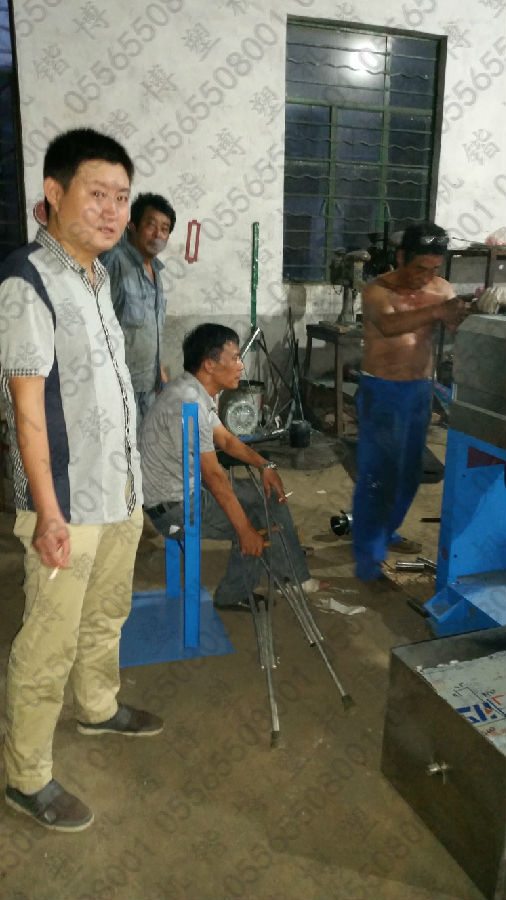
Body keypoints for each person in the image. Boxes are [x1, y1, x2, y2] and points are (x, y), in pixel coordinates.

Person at [0, 128, 163, 834]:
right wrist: (48, 514)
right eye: (97, 194)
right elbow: (26, 410)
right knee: (47, 642)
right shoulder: (27, 279)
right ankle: (27, 776)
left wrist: (133, 491)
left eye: (121, 198)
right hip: (66, 503)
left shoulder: (98, 276)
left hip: (116, 491)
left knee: (107, 613)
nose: (112, 210)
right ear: (54, 192)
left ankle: (98, 707)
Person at [140, 323, 327, 610]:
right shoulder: (189, 403)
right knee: (255, 521)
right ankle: (236, 593)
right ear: (209, 364)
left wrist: (265, 464)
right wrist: (245, 530)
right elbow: (215, 477)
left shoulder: (192, 389)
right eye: (236, 358)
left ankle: (292, 573)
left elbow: (226, 440)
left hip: (181, 493)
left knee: (265, 496)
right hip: (174, 508)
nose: (241, 366)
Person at [352, 222, 468, 586]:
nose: (426, 277)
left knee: (411, 474)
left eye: (434, 269)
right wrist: (438, 311)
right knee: (378, 476)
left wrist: (473, 311)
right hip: (381, 392)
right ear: (402, 257)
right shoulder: (376, 290)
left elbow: (457, 326)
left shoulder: (441, 289)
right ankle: (368, 561)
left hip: (418, 391)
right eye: (420, 267)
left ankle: (386, 531)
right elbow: (388, 326)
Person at [102, 192, 176, 433]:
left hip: (149, 386)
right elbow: (97, 322)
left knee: (148, 447)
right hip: (120, 387)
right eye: (151, 225)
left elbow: (151, 330)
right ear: (132, 226)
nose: (158, 234)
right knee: (124, 450)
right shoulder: (114, 261)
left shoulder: (155, 270)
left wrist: (160, 372)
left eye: (164, 229)